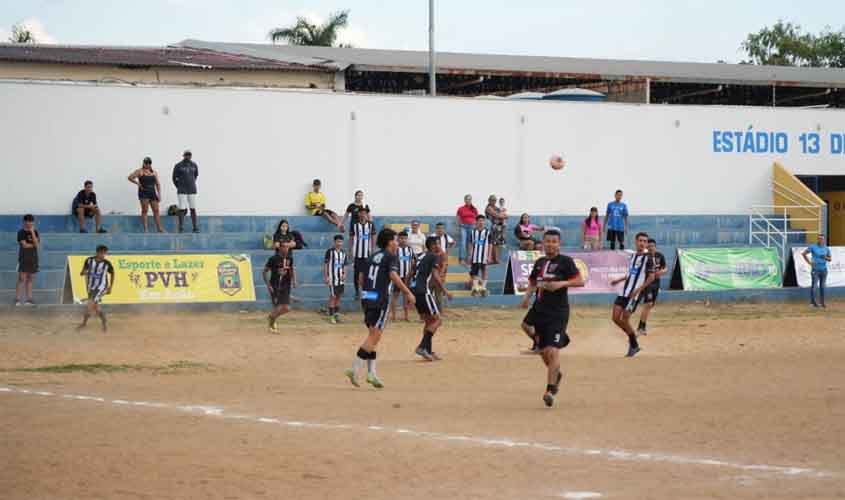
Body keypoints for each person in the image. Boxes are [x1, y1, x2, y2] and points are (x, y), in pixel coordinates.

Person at [520, 230, 585, 407]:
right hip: (539, 308)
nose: (550, 244)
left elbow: (580, 281)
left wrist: (561, 283)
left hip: (558, 311)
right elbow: (533, 281)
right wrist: (526, 296)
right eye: (547, 241)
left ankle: (550, 390)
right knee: (527, 328)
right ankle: (554, 370)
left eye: (554, 241)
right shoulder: (540, 262)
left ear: (559, 244)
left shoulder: (565, 261)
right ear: (543, 242)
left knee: (552, 350)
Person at [344, 228, 416, 389]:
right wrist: (408, 292)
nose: (397, 243)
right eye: (396, 240)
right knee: (375, 335)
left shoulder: (371, 256)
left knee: (373, 336)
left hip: (367, 297)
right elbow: (393, 276)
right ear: (390, 242)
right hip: (380, 299)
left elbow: (361, 278)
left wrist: (368, 291)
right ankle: (354, 369)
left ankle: (372, 373)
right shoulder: (391, 257)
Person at [610, 232, 655, 357]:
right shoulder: (633, 256)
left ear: (646, 243)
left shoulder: (648, 258)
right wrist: (618, 280)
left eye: (645, 241)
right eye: (640, 240)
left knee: (625, 318)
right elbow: (631, 274)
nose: (642, 243)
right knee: (615, 317)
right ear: (636, 241)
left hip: (634, 295)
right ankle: (633, 339)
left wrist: (638, 290)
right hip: (624, 292)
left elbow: (651, 277)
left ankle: (633, 344)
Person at [413, 236, 454, 361]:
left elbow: (410, 273)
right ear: (432, 245)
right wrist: (446, 291)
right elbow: (436, 276)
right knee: (438, 320)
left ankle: (428, 351)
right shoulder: (433, 256)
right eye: (437, 244)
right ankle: (422, 347)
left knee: (429, 321)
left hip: (414, 290)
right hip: (424, 291)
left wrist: (408, 292)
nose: (438, 246)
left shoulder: (419, 256)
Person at [76, 245, 115, 332]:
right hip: (91, 287)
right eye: (102, 253)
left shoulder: (106, 263)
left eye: (105, 253)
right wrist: (83, 272)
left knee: (90, 304)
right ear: (97, 252)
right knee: (96, 307)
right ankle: (104, 322)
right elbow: (83, 272)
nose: (104, 255)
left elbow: (113, 273)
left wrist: (110, 287)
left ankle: (83, 324)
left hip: (101, 287)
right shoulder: (89, 260)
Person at [637, 239, 668, 335]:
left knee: (650, 305)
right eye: (648, 246)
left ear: (655, 247)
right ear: (646, 247)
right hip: (647, 283)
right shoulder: (645, 257)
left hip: (656, 283)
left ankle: (641, 325)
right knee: (648, 304)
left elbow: (665, 268)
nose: (650, 248)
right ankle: (641, 327)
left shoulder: (660, 256)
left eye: (652, 246)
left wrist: (661, 272)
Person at [263, 245, 296, 333]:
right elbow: (264, 272)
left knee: (287, 308)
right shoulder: (273, 259)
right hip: (275, 285)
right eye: (284, 247)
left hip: (286, 285)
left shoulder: (290, 258)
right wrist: (268, 285)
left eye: (287, 247)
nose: (286, 249)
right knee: (278, 306)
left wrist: (294, 280)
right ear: (280, 248)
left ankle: (271, 317)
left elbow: (291, 269)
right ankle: (272, 325)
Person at [128, 157, 165, 233]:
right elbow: (130, 177)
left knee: (156, 210)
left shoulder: (154, 172)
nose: (147, 164)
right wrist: (138, 183)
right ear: (143, 163)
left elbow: (158, 184)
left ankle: (159, 228)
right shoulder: (139, 171)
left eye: (149, 163)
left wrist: (159, 194)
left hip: (152, 192)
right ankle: (146, 229)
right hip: (144, 192)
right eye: (146, 163)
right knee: (145, 210)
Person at [172, 150, 200, 233]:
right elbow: (174, 178)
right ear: (183, 155)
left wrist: (191, 183)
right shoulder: (178, 165)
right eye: (186, 155)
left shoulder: (194, 165)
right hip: (182, 190)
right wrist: (179, 186)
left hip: (192, 189)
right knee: (182, 208)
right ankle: (180, 227)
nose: (188, 156)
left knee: (193, 208)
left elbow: (195, 176)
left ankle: (195, 227)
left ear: (191, 156)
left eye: (189, 155)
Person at [350, 209, 375, 299]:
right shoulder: (355, 225)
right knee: (356, 274)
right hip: (357, 254)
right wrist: (350, 250)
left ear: (366, 214)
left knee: (367, 274)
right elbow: (351, 238)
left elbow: (373, 237)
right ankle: (357, 292)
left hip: (367, 254)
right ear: (358, 214)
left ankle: (366, 292)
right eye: (361, 213)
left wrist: (373, 250)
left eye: (364, 213)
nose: (362, 214)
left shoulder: (371, 225)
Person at [15, 214, 39, 306]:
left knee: (30, 279)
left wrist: (32, 232)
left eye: (31, 221)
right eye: (28, 221)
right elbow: (24, 245)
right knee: (21, 279)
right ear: (24, 222)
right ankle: (17, 299)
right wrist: (34, 245)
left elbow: (37, 245)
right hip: (24, 258)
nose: (29, 223)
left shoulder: (35, 232)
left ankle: (29, 299)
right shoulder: (21, 232)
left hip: (33, 258)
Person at [803, 234, 832, 308]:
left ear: (824, 240)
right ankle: (812, 303)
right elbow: (803, 253)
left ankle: (822, 303)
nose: (820, 240)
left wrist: (825, 257)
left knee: (822, 286)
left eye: (822, 239)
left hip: (824, 270)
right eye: (819, 239)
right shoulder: (813, 247)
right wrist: (809, 263)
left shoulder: (826, 248)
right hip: (815, 270)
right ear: (817, 239)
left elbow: (830, 259)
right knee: (814, 286)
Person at [324, 234, 348, 324]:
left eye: (341, 241)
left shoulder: (343, 253)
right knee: (333, 297)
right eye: (338, 241)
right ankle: (331, 316)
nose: (339, 243)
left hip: (340, 279)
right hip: (332, 278)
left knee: (338, 297)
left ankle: (337, 315)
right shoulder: (329, 252)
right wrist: (326, 276)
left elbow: (345, 265)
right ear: (334, 242)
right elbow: (326, 265)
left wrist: (344, 274)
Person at [391, 231, 415, 321]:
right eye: (401, 238)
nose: (403, 240)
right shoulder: (395, 249)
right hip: (397, 276)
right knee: (395, 296)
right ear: (398, 239)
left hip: (407, 277)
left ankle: (406, 316)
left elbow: (413, 262)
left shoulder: (410, 249)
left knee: (406, 296)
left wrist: (411, 272)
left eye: (405, 238)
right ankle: (393, 316)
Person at [432, 222, 455, 309]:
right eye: (438, 228)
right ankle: (434, 302)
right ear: (436, 229)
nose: (440, 230)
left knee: (442, 280)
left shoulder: (446, 236)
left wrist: (448, 251)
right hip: (434, 260)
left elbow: (453, 242)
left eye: (442, 228)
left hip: (443, 260)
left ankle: (440, 302)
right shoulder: (432, 237)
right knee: (434, 281)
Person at [469, 215, 491, 296]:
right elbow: (471, 244)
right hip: (475, 256)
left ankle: (483, 289)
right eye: (479, 220)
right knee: (475, 273)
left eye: (483, 220)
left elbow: (490, 244)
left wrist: (489, 256)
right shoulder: (472, 232)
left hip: (484, 255)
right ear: (476, 222)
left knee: (484, 271)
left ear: (484, 222)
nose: (481, 222)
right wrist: (470, 255)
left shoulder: (488, 232)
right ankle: (475, 289)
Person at [455, 194, 479, 265]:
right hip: (463, 227)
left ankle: (468, 258)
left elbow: (477, 219)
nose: (468, 200)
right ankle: (461, 258)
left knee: (470, 243)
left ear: (471, 200)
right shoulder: (460, 209)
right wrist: (458, 229)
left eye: (469, 199)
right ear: (464, 200)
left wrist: (477, 228)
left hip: (472, 227)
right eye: (467, 199)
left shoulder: (474, 209)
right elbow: (457, 219)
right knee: (463, 242)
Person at [485, 194, 508, 264]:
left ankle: (496, 259)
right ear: (489, 200)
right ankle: (491, 259)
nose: (493, 201)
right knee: (492, 243)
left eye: (495, 200)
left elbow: (506, 216)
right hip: (492, 227)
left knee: (498, 244)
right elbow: (497, 215)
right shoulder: (488, 207)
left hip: (499, 228)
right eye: (492, 200)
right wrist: (501, 215)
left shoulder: (496, 207)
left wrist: (502, 215)